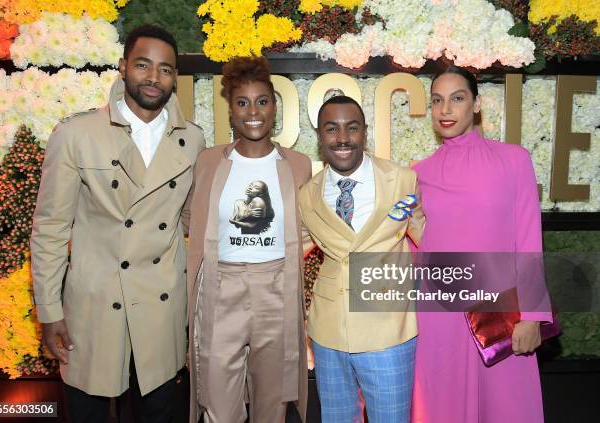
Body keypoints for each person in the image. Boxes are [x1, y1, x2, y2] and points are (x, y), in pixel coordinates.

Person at [30, 25, 205, 422]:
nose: (153, 77)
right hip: (95, 304)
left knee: (159, 414)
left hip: (161, 305)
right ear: (124, 66)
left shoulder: (192, 140)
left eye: (165, 69)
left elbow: (192, 221)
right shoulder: (76, 134)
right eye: (143, 65)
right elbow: (51, 229)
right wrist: (49, 310)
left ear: (174, 78)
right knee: (89, 412)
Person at [411, 66, 553, 423]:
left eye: (457, 99)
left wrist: (533, 314)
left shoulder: (513, 160)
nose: (446, 110)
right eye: (437, 101)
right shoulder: (418, 173)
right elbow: (417, 248)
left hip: (499, 313)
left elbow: (528, 240)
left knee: (507, 408)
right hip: (438, 317)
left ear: (476, 104)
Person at [185, 56, 310, 423]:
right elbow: (188, 219)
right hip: (221, 288)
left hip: (277, 288)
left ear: (274, 106)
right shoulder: (208, 161)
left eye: (262, 101)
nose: (253, 111)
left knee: (272, 404)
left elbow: (311, 226)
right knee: (217, 403)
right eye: (242, 102)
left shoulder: (298, 164)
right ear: (230, 111)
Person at [298, 95, 425, 422]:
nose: (342, 138)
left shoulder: (402, 180)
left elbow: (432, 238)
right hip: (329, 334)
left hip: (389, 332)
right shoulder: (306, 195)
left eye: (351, 128)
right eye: (331, 129)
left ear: (364, 132)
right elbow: (291, 250)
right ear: (319, 136)